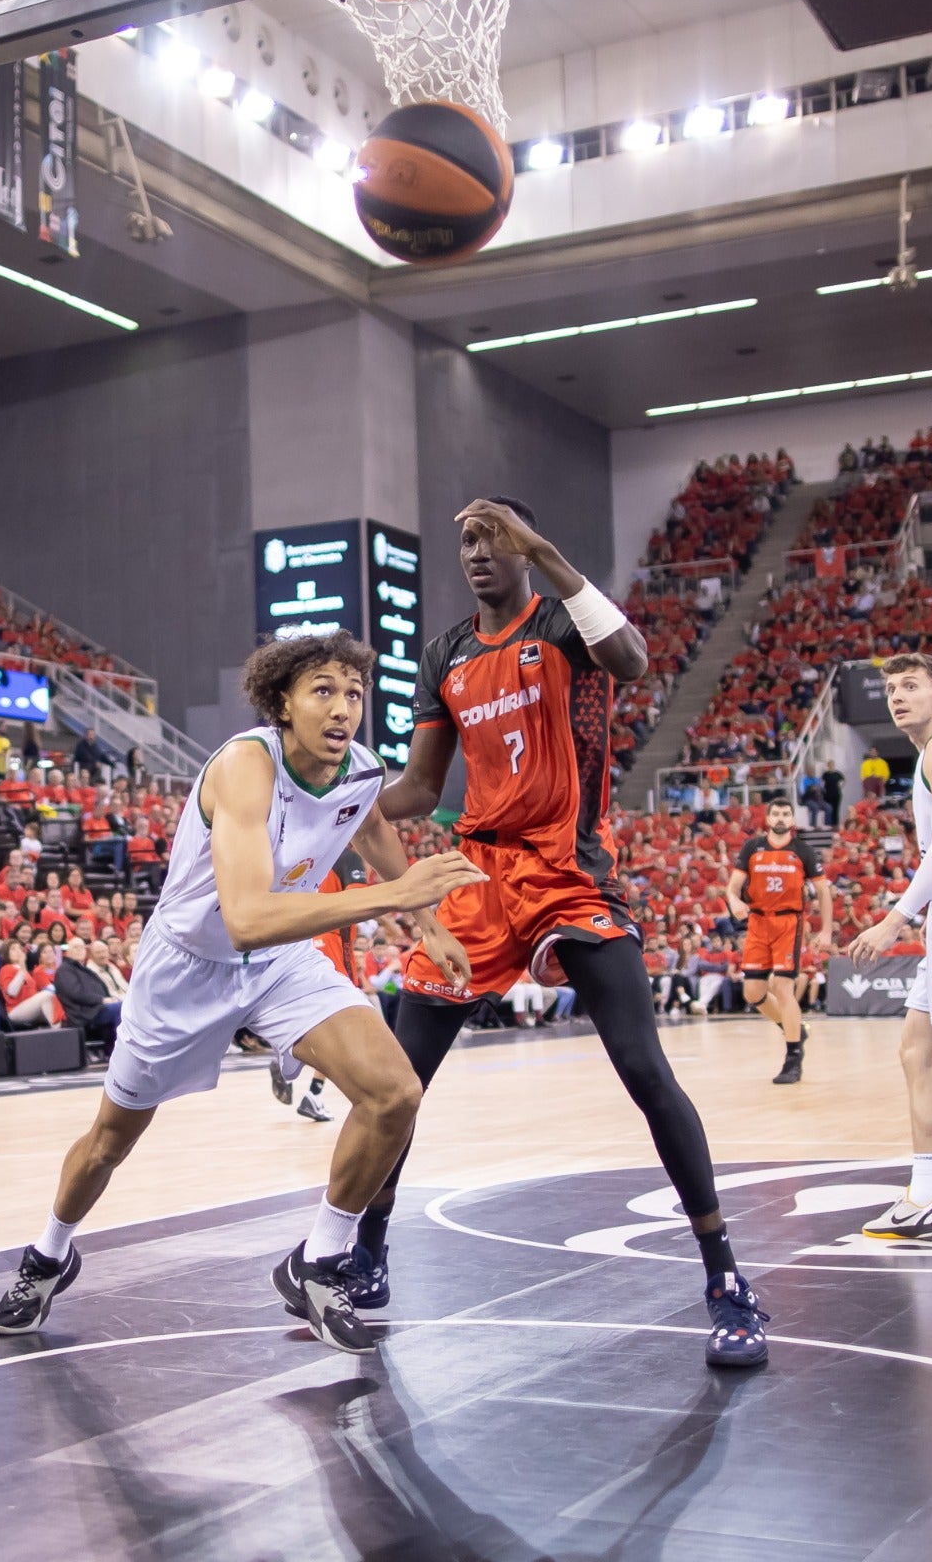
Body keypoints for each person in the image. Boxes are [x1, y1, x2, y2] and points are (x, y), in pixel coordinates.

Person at [358, 499, 769, 1369]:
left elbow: (634, 659)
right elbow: (423, 788)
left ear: (524, 548)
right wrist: (339, 797)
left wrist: (544, 550)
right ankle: (366, 1256)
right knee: (396, 1085)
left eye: (493, 538)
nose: (476, 552)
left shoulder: (565, 623)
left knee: (644, 1070)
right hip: (477, 878)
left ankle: (727, 1277)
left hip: (568, 871)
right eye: (467, 540)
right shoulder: (443, 653)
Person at [0, 631, 483, 1354]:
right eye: (322, 691)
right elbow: (246, 918)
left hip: (280, 960)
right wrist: (394, 898)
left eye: (354, 693)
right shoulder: (246, 766)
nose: (343, 708)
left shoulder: (359, 768)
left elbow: (371, 823)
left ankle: (319, 1263)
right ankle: (48, 1256)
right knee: (109, 1142)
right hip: (189, 967)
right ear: (281, 703)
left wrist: (429, 925)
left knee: (395, 1093)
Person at [850, 654, 932, 1239]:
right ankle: (923, 1195)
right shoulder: (929, 754)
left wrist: (894, 921)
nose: (896, 695)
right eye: (891, 687)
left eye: (911, 685)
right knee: (917, 1052)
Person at [726, 797, 832, 1085]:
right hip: (758, 922)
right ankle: (794, 1028)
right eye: (776, 813)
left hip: (788, 923)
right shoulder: (752, 848)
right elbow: (732, 888)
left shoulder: (802, 850)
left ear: (793, 820)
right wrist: (734, 902)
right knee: (753, 993)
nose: (781, 818)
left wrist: (826, 930)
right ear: (768, 818)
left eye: (786, 813)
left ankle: (793, 1057)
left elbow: (823, 892)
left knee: (783, 987)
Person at [271, 848, 370, 1123]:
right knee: (342, 1024)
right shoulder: (347, 856)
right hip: (334, 942)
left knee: (314, 1017)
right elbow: (358, 900)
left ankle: (293, 1063)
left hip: (301, 941)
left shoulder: (307, 854)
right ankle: (311, 1089)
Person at [822, 759, 845, 828]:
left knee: (836, 810)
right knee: (829, 810)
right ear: (828, 766)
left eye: (832, 765)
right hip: (827, 795)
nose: (831, 766)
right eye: (830, 765)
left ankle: (835, 824)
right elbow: (822, 783)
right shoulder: (825, 774)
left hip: (836, 794)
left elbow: (843, 780)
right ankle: (828, 824)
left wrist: (841, 785)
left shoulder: (837, 774)